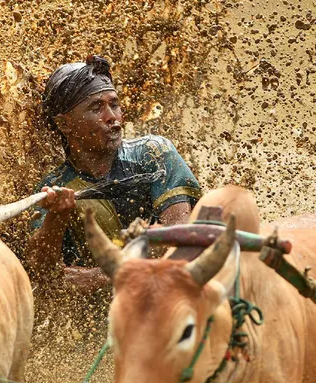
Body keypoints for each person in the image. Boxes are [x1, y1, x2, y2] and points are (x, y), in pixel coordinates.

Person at [26, 55, 202, 292]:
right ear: (64, 124)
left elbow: (180, 237)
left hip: (171, 297)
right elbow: (45, 274)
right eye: (96, 107)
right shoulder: (52, 189)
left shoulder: (154, 153)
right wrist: (56, 218)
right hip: (107, 321)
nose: (112, 117)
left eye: (114, 104)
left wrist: (105, 275)